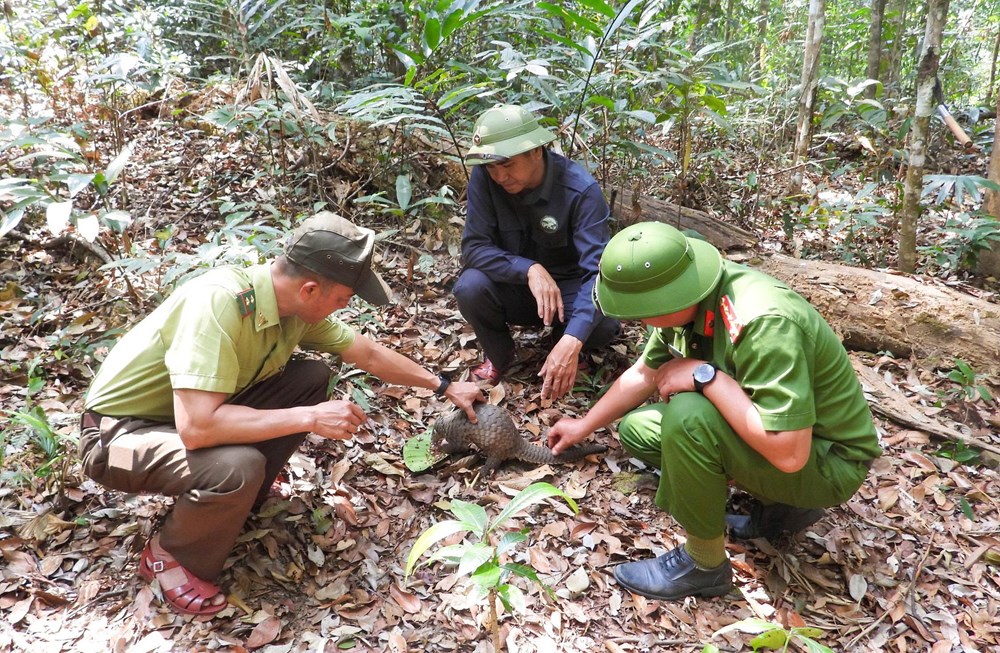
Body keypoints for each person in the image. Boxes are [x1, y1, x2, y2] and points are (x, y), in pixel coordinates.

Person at [79, 212, 484, 617]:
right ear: (309, 289)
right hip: (116, 439)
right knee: (237, 467)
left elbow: (368, 354)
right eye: (343, 298)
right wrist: (309, 418)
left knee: (310, 377)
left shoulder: (290, 310)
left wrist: (444, 386)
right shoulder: (219, 303)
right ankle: (170, 555)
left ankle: (236, 501)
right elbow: (198, 428)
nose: (344, 306)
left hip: (180, 420)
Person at [547, 222, 881, 601]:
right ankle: (782, 510)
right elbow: (644, 373)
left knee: (688, 416)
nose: (636, 321)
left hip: (826, 462)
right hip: (779, 441)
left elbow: (789, 453)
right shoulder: (689, 299)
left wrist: (707, 378)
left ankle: (703, 565)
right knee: (639, 429)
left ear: (667, 298)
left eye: (639, 313)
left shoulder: (763, 322)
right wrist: (583, 426)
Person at [455, 103, 620, 400]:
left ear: (536, 151)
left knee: (603, 323)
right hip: (515, 287)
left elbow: (598, 273)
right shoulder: (485, 178)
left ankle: (564, 345)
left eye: (507, 165)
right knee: (469, 287)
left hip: (567, 292)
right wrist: (528, 269)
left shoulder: (580, 191)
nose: (499, 176)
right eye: (492, 167)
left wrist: (573, 338)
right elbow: (474, 247)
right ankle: (499, 355)